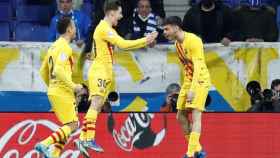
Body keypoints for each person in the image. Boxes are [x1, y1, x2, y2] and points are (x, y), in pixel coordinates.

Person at [74, 1, 158, 157]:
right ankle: (88, 139)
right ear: (111, 13)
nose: (120, 16)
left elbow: (96, 49)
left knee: (97, 107)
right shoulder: (104, 28)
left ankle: (82, 138)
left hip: (102, 71)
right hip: (100, 71)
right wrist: (146, 40)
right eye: (119, 13)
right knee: (96, 104)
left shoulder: (104, 29)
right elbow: (124, 45)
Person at [35, 17, 84, 158]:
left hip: (54, 91)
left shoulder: (53, 46)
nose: (75, 29)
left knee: (68, 126)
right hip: (63, 91)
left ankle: (55, 155)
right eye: (74, 26)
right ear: (69, 29)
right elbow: (58, 70)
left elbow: (42, 71)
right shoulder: (65, 48)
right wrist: (74, 86)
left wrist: (52, 86)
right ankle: (45, 144)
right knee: (74, 125)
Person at [163, 16, 211, 158]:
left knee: (196, 115)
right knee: (180, 116)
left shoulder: (194, 41)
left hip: (200, 80)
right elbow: (187, 67)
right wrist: (186, 86)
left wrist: (193, 89)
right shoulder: (177, 44)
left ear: (176, 27)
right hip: (189, 81)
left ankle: (190, 153)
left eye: (167, 29)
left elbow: (199, 67)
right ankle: (198, 149)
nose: (164, 32)